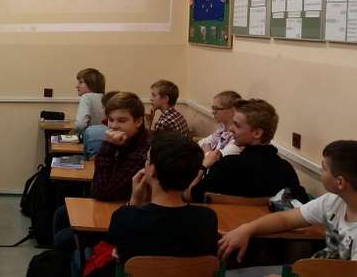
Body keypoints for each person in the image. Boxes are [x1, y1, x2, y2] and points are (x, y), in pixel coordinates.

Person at [218, 140, 357, 273]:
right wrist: (247, 229)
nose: (320, 170)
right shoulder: (333, 201)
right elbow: (286, 219)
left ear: (340, 182)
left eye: (324, 168)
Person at [53, 92, 151, 251]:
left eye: (122, 120)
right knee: (61, 213)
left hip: (129, 216)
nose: (113, 126)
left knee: (63, 239)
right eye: (111, 120)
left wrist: (107, 146)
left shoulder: (142, 152)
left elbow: (101, 192)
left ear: (138, 121)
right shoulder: (127, 141)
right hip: (115, 204)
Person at [109, 132, 219, 267]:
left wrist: (134, 201)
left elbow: (117, 244)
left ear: (152, 170)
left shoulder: (125, 217)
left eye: (147, 159)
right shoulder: (207, 219)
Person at [187, 99, 306, 203]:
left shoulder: (226, 165)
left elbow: (188, 196)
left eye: (237, 125)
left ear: (257, 133)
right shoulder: (286, 169)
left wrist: (203, 166)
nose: (230, 128)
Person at [198, 90, 242, 157]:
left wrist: (207, 152)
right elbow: (202, 143)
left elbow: (217, 160)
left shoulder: (237, 137)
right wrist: (207, 151)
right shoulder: (223, 128)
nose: (212, 112)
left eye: (216, 108)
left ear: (232, 111)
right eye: (213, 108)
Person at [74, 68, 106, 132]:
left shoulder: (86, 97)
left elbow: (80, 125)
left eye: (81, 82)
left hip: (90, 136)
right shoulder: (105, 98)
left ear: (91, 83)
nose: (77, 86)